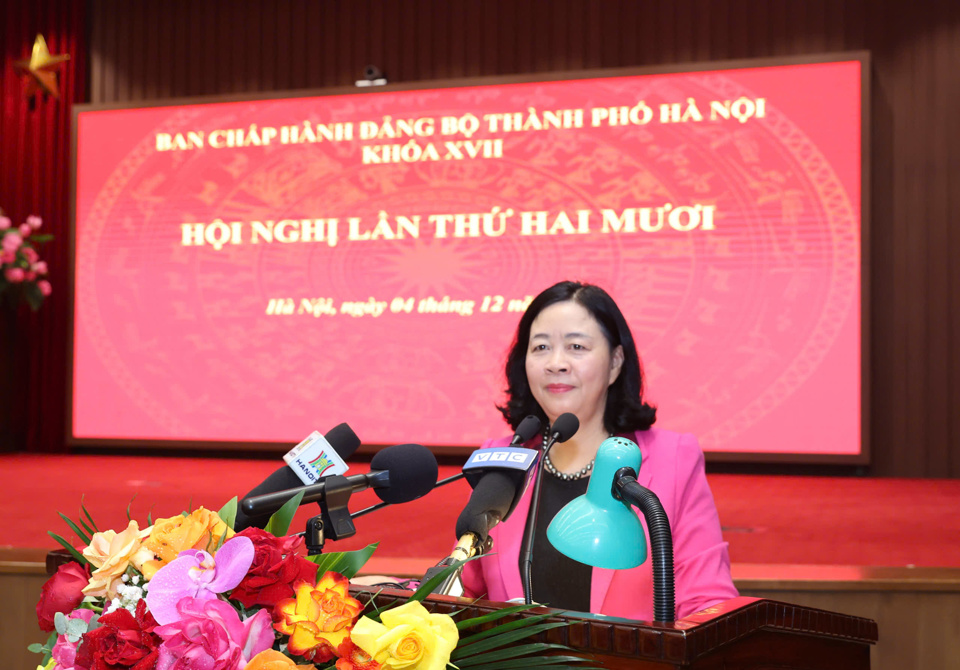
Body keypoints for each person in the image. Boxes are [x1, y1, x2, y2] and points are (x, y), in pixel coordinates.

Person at [459, 280, 738, 620]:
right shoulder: (505, 459)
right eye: (541, 347)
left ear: (616, 362)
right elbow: (466, 588)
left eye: (576, 347)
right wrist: (396, 590)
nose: (556, 363)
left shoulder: (673, 458)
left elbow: (707, 600)